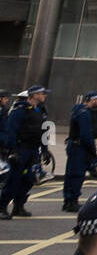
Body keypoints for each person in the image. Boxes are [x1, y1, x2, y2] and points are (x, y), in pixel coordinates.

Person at [0, 86, 49, 219]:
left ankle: (18, 205)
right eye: (42, 93)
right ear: (34, 95)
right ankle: (2, 207)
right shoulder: (20, 110)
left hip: (34, 150)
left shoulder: (40, 110)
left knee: (29, 179)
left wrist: (45, 150)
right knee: (14, 179)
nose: (44, 95)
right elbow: (11, 131)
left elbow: (44, 131)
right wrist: (13, 150)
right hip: (21, 149)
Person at [62, 91, 97, 212]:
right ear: (92, 100)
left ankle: (69, 200)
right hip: (79, 147)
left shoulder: (91, 112)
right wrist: (93, 152)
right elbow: (86, 135)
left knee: (74, 174)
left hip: (80, 146)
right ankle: (71, 201)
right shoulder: (83, 113)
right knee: (76, 175)